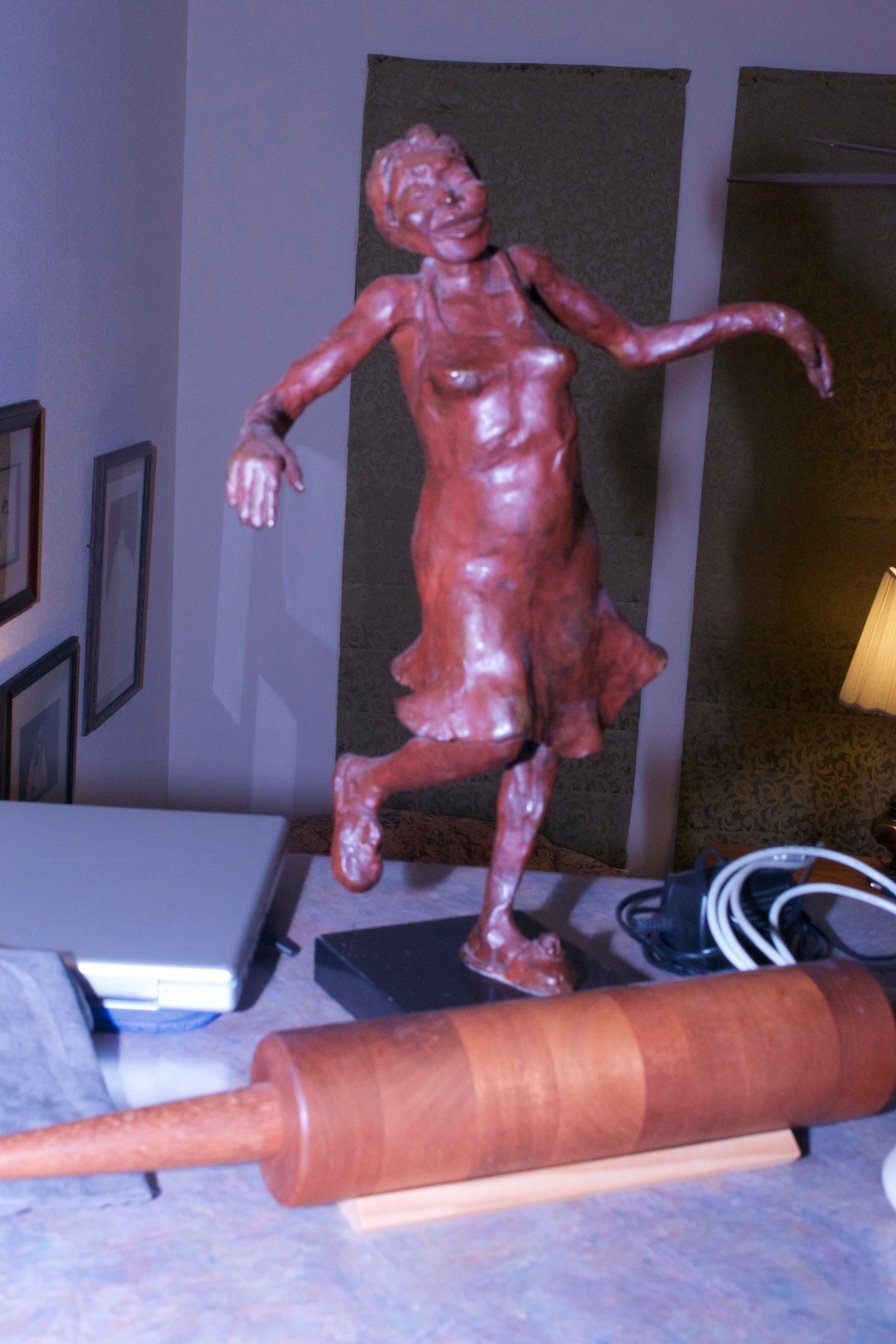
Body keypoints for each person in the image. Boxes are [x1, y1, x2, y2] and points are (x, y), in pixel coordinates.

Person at [227, 124, 832, 994]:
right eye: (423, 196)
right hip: (469, 556)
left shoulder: (527, 272)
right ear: (398, 226)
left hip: (564, 550)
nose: (451, 202)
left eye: (459, 180)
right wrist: (257, 436)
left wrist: (767, 317)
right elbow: (288, 392)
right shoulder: (398, 302)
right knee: (498, 730)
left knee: (543, 739)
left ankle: (495, 928)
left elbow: (634, 346)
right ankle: (366, 782)